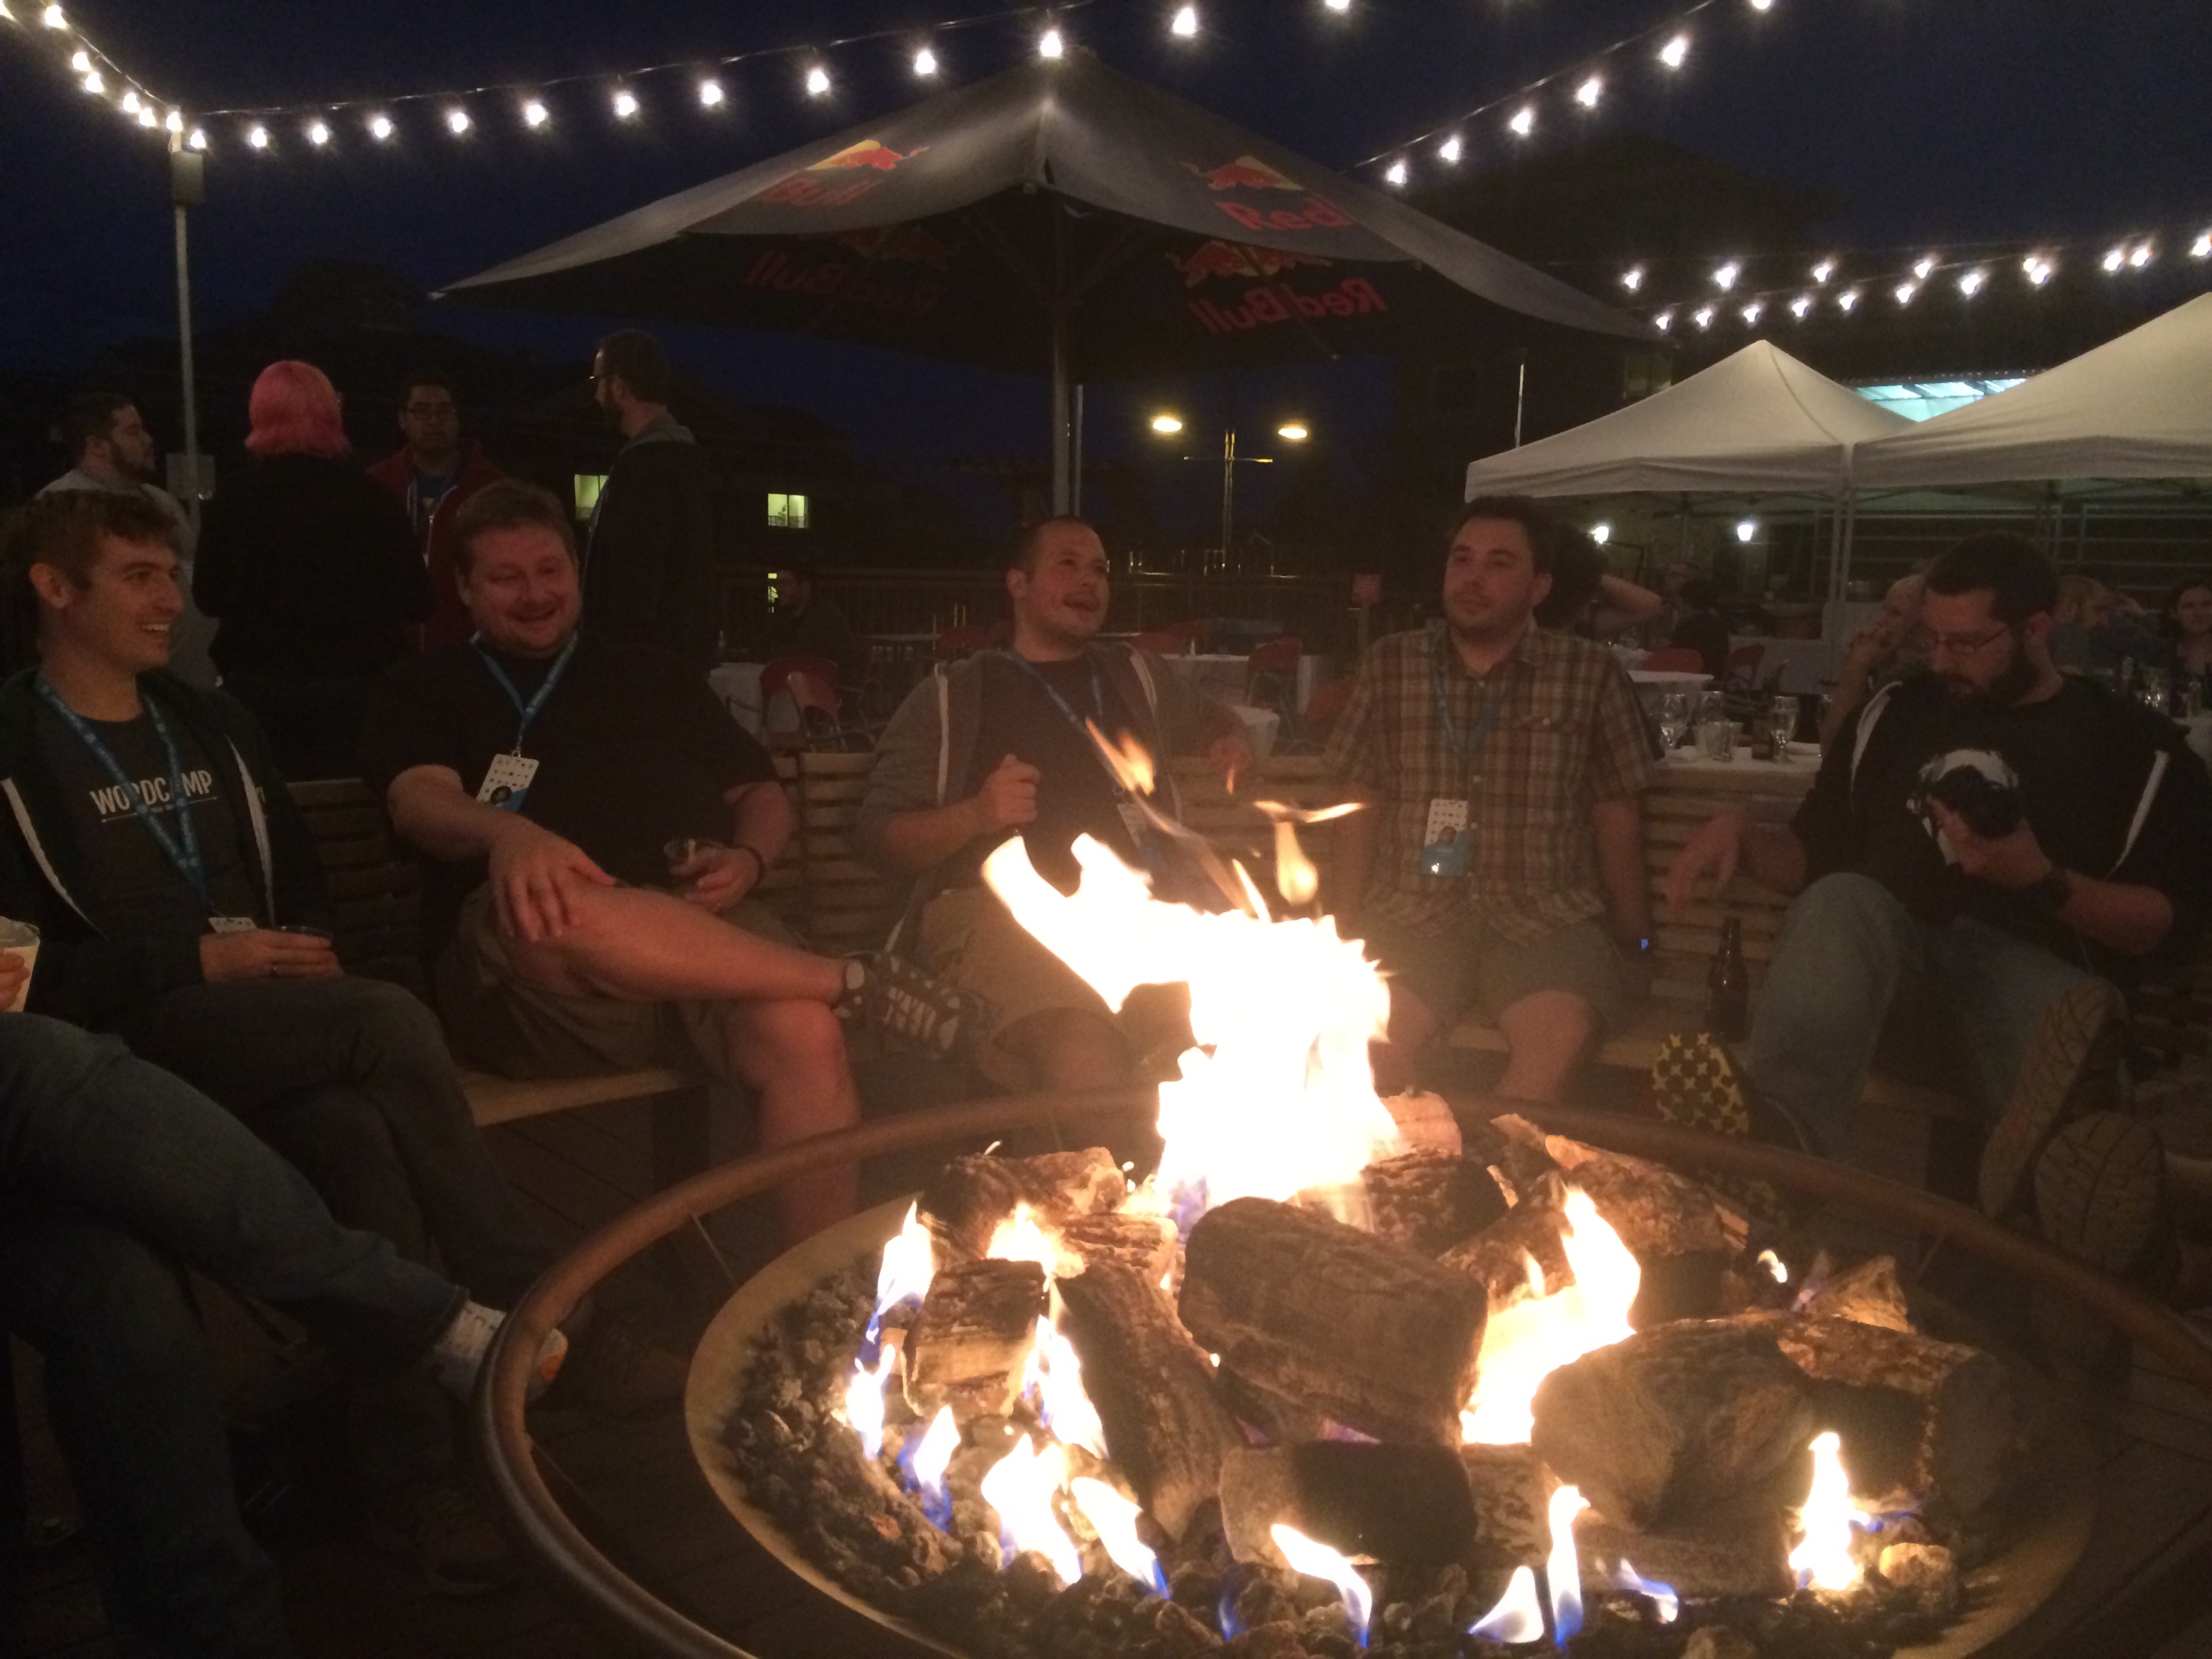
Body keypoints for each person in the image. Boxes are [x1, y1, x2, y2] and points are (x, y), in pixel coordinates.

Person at [0, 488, 558, 1593]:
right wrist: (195, 963)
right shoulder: (16, 749)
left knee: (353, 1131)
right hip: (109, 1052)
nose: (173, 600)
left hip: (256, 1022)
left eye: (173, 572)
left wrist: (298, 945)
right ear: (55, 589)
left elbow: (296, 876)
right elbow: (16, 979)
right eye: (140, 576)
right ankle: (528, 1298)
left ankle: (407, 1473)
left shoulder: (214, 722)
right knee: (387, 1019)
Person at [1664, 533, 2212, 1295]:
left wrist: (2040, 879)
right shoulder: (1896, 713)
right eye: (1934, 639)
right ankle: (1786, 1158)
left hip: (2036, 1003)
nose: (1943, 660)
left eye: (1968, 643)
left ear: (2037, 629)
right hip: (1892, 998)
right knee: (1845, 897)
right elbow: (1815, 856)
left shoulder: (2136, 749)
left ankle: (2128, 1238)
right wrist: (1744, 836)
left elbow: (2162, 927)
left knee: (2062, 1043)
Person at [0, 960, 565, 1650]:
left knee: (122, 1278)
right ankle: (447, 1320)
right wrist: (191, 954)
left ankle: (227, 1632)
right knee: (36, 1057)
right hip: (104, 1025)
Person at [359, 480, 861, 1241]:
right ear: (464, 587)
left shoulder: (656, 675)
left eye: (550, 570)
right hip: (549, 985)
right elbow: (417, 801)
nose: (536, 594)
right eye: (506, 577)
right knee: (559, 899)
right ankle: (852, 982)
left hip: (702, 938)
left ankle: (823, 1288)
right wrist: (509, 836)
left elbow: (759, 791)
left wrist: (749, 859)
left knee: (805, 1034)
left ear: (576, 570)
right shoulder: (426, 687)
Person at [854, 516, 1252, 1094]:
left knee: (1256, 1032)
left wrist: (1228, 739)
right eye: (1067, 564)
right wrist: (976, 814)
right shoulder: (956, 694)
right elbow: (879, 837)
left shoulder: (1135, 677)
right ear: (1018, 583)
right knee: (1083, 1051)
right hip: (1006, 916)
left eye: (1099, 570)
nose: (1089, 581)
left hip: (1142, 913)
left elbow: (1213, 716)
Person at [1320, 496, 1657, 1102]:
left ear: (1539, 586)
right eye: (1462, 559)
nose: (1473, 577)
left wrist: (1636, 941)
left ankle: (1494, 1160)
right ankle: (1413, 1161)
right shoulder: (1392, 665)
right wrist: (1339, 930)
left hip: (1545, 915)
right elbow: (1359, 802)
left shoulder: (1587, 674)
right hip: (1412, 912)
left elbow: (1616, 814)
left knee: (1554, 1044)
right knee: (1370, 1051)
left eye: (1499, 563)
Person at [193, 361, 430, 779]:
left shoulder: (235, 499)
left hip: (259, 694)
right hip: (359, 692)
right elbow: (417, 600)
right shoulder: (371, 498)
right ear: (331, 413)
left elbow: (207, 596)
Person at [35, 390, 218, 687]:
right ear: (98, 447)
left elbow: (192, 570)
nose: (148, 440)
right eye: (133, 432)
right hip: (120, 685)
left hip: (188, 680)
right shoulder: (63, 507)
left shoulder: (160, 501)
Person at [582, 329, 719, 672]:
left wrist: (618, 659)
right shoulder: (684, 458)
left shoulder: (645, 467)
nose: (596, 394)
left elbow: (634, 580)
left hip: (643, 667)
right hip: (677, 662)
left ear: (618, 386)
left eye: (597, 381)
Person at [365, 368, 504, 653]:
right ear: (402, 419)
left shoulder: (491, 489)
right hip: (390, 651)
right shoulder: (377, 484)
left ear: (457, 417)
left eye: (443, 411)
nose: (433, 420)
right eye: (421, 411)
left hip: (468, 650)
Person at [1818, 569, 1928, 747]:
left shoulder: (1922, 685)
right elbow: (1833, 752)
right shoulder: (1884, 672)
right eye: (1884, 609)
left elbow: (1837, 748)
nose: (1880, 620)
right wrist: (1858, 666)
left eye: (1895, 613)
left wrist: (1858, 663)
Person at [749, 559, 867, 691]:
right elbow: (760, 649)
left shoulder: (825, 616)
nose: (779, 589)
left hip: (829, 689)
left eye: (786, 583)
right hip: (795, 685)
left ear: (805, 586)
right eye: (777, 583)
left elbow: (803, 657)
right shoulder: (782, 616)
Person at [1536, 529, 1665, 642]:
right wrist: (1586, 574)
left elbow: (1651, 605)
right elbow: (1651, 605)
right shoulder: (1576, 630)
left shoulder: (1576, 625)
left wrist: (1582, 573)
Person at [2158, 573, 2212, 709]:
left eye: (2206, 605)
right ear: (2174, 613)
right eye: (2188, 606)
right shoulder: (2160, 655)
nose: (2199, 613)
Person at [1668, 577, 1733, 680]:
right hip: (1716, 679)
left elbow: (1674, 658)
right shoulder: (1719, 624)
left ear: (1687, 602)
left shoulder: (1686, 628)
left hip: (1692, 680)